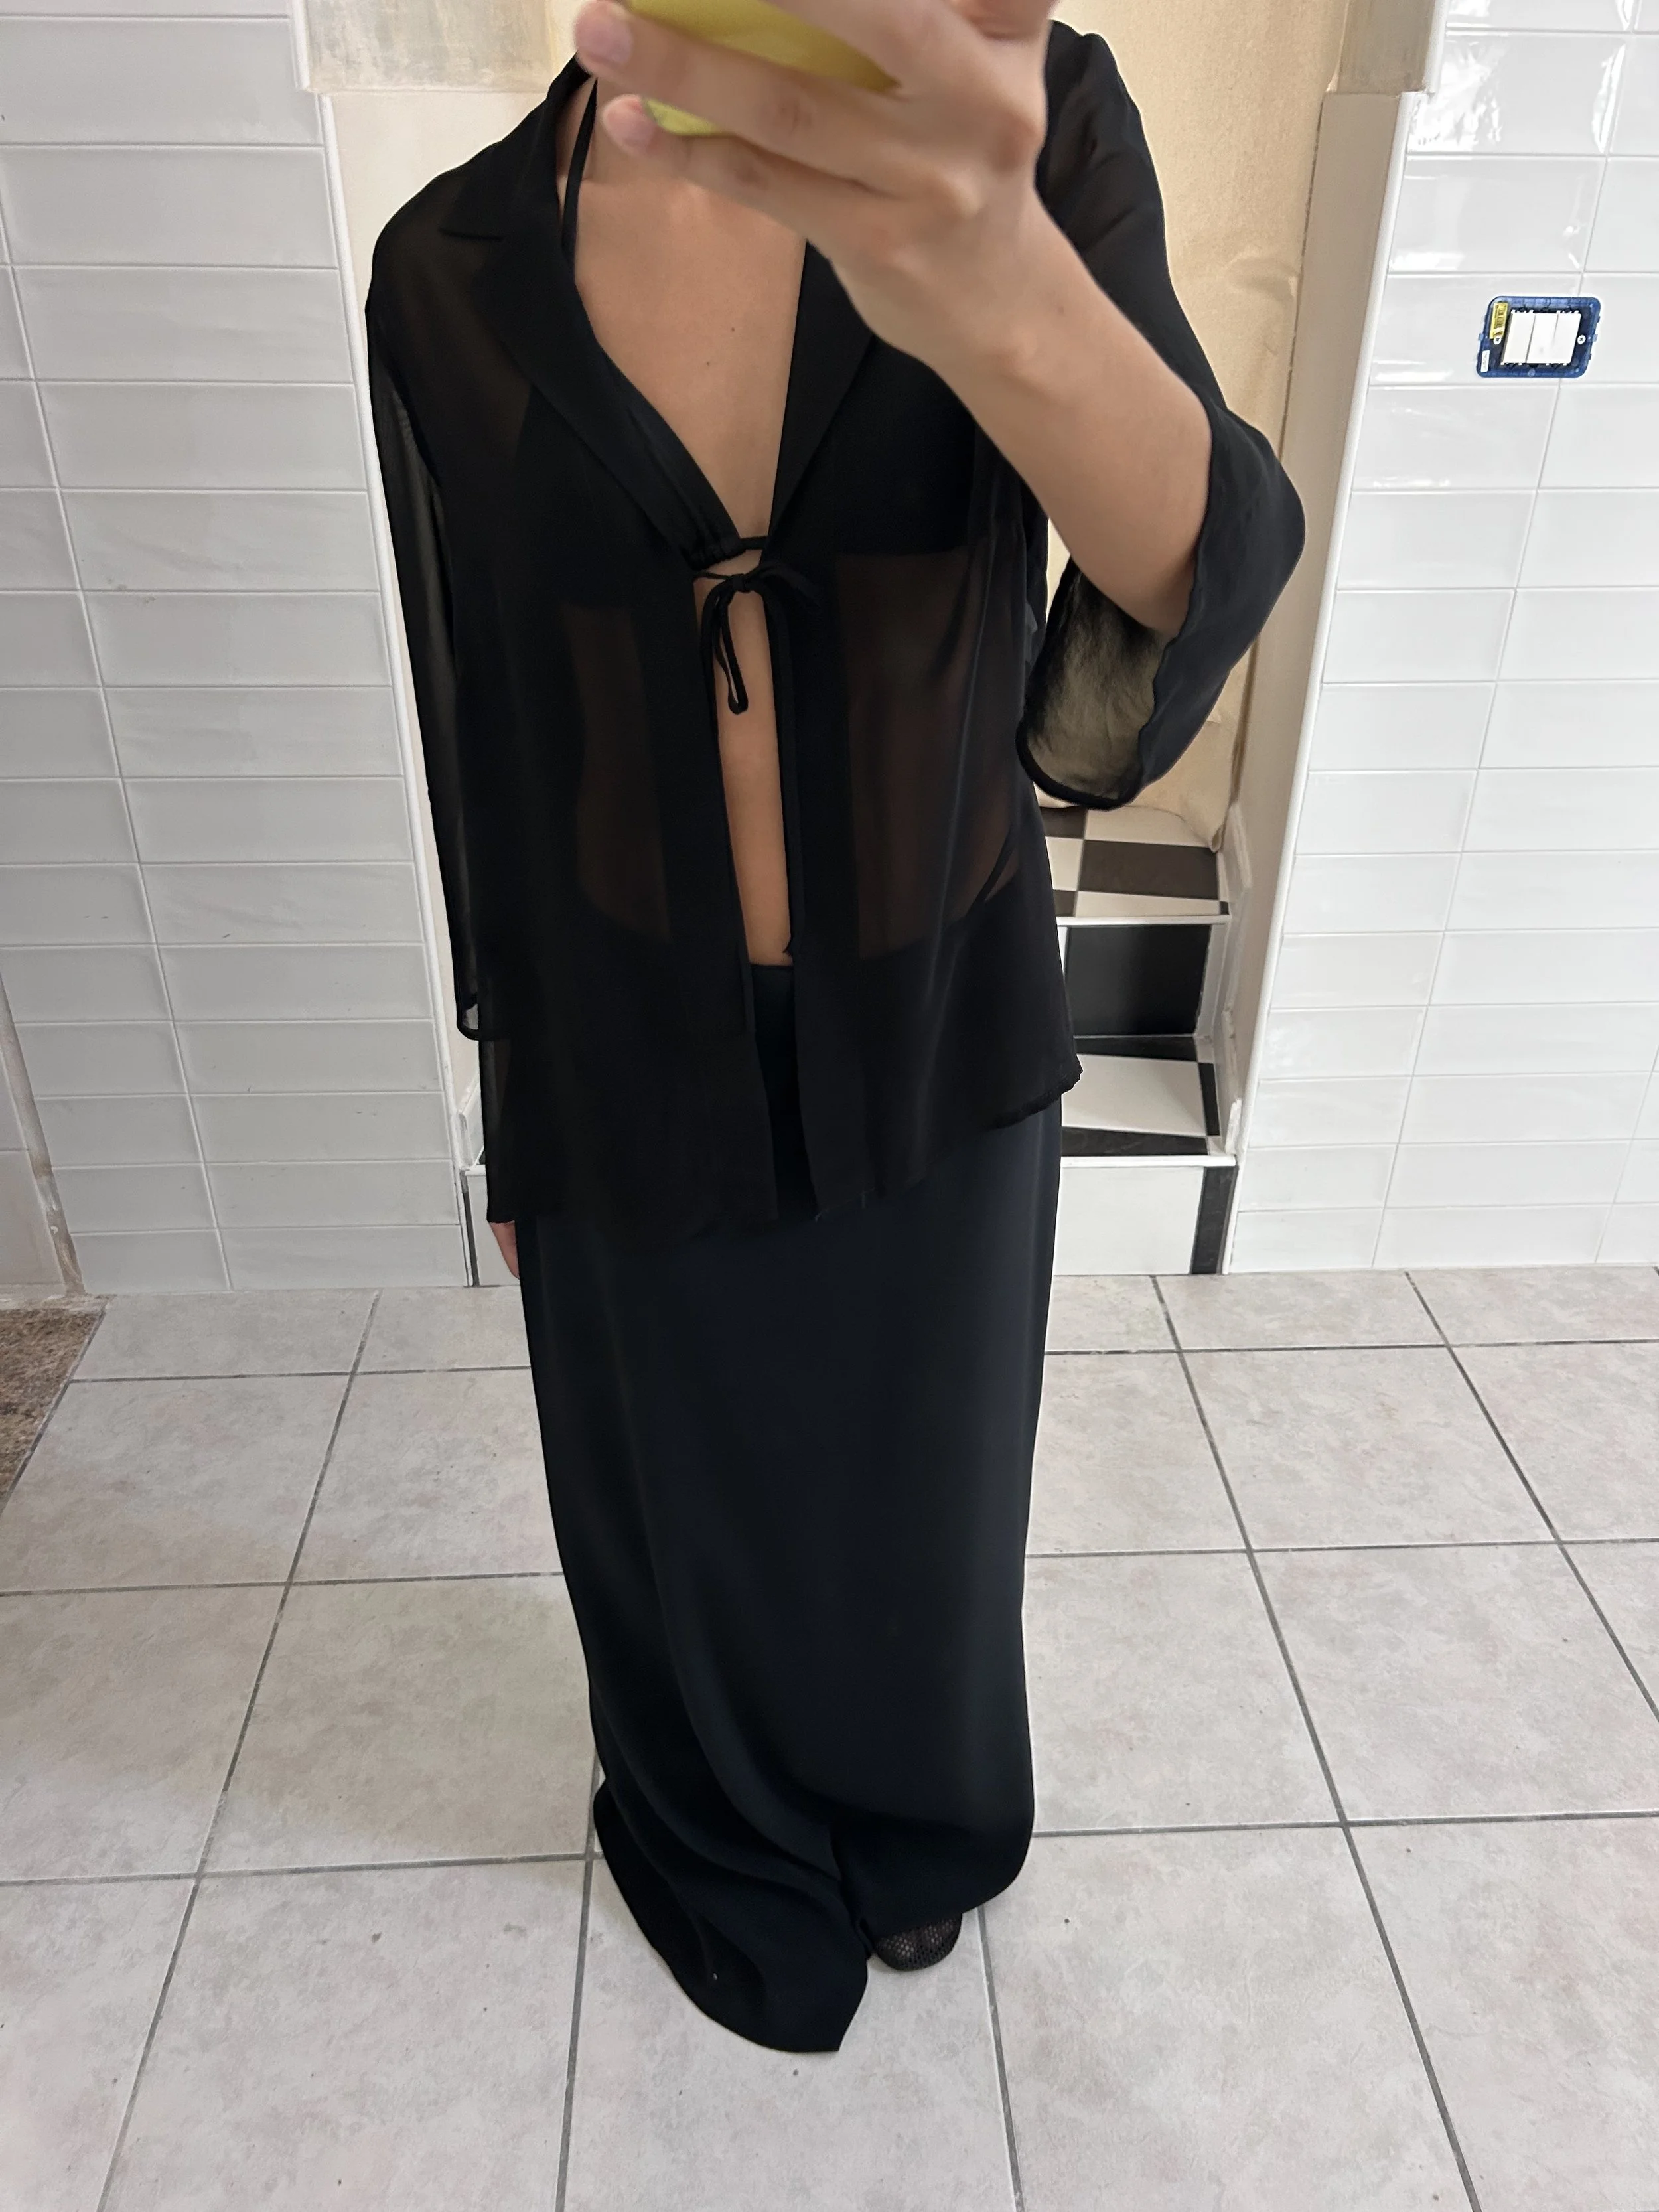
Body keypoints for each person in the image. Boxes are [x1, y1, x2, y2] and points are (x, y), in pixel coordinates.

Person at [366, 0, 1303, 2054]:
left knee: (917, 1496)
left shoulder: (1014, 125)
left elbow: (1199, 565)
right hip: (617, 1028)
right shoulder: (447, 262)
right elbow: (487, 732)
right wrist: (515, 1097)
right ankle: (714, 1833)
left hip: (935, 1000)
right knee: (674, 1505)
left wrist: (996, 285)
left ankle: (912, 1818)